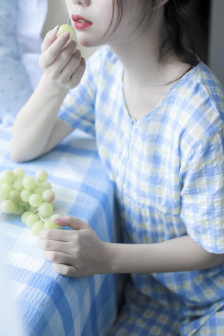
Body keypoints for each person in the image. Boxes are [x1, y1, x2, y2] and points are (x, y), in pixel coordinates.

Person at [10, 0, 224, 334]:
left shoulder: (202, 115)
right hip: (149, 303)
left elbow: (212, 246)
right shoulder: (107, 70)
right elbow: (22, 146)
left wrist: (105, 258)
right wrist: (54, 82)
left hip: (212, 306)